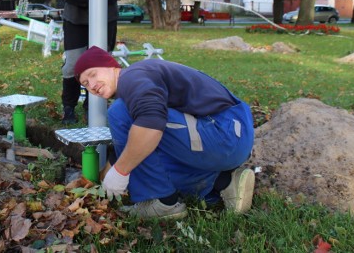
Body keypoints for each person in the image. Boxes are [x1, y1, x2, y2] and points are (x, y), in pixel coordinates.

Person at [74, 46, 256, 218]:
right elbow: (133, 146)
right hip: (231, 136)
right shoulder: (138, 81)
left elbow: (150, 121)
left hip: (224, 132)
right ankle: (223, 182)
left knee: (120, 112)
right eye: (85, 84)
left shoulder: (131, 76)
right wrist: (103, 179)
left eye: (93, 74)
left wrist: (121, 171)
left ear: (111, 65)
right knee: (149, 163)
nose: (92, 85)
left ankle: (164, 202)